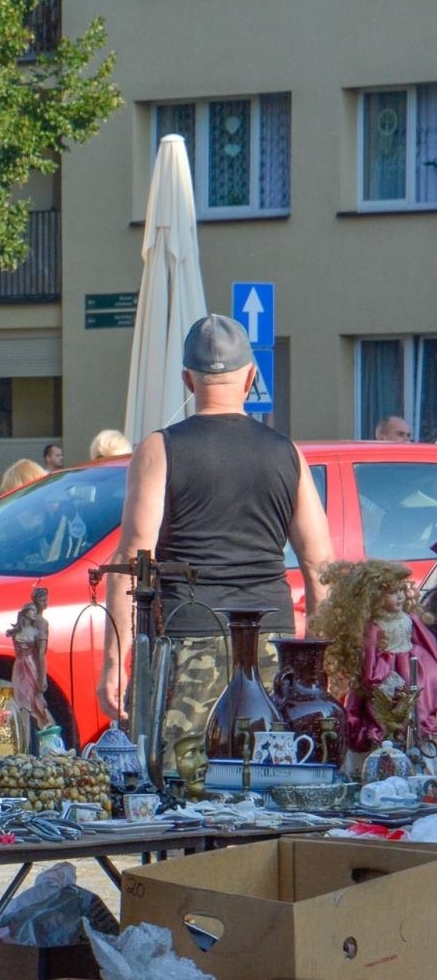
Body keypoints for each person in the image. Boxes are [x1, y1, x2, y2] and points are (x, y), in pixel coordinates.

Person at [100, 316, 333, 768]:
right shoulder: (288, 453)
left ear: (187, 379)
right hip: (273, 644)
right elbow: (321, 567)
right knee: (268, 779)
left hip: (191, 641)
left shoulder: (160, 448)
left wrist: (114, 661)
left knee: (182, 784)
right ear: (250, 378)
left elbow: (132, 557)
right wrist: (318, 667)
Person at [316, 559, 437, 756]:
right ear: (373, 597)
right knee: (382, 712)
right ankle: (389, 742)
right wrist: (379, 678)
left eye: (400, 591)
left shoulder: (410, 618)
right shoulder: (374, 627)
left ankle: (420, 739)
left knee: (419, 705)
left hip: (416, 668)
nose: (399, 597)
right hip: (387, 672)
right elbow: (370, 658)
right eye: (391, 592)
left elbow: (427, 642)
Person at [8, 586, 53, 729]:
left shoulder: (40, 623)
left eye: (46, 600)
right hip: (25, 665)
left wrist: (42, 676)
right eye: (42, 600)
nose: (45, 603)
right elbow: (40, 653)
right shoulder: (39, 623)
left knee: (33, 703)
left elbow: (41, 653)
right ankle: (26, 741)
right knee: (26, 702)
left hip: (30, 664)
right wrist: (42, 676)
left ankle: (34, 740)